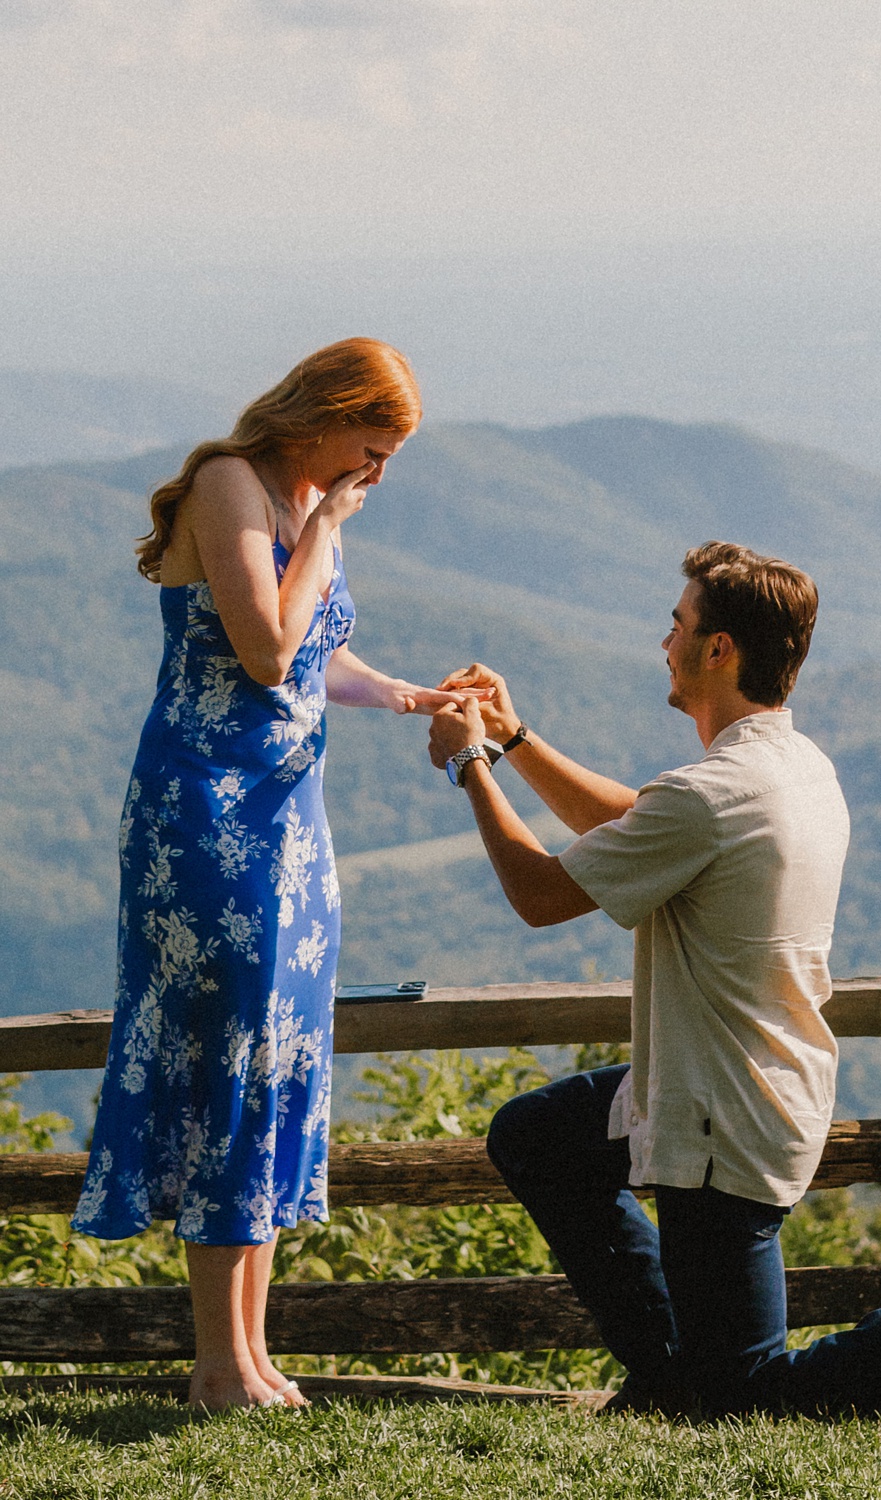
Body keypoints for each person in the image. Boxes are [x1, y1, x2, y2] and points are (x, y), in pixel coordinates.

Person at [71, 337, 482, 1411]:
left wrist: (409, 695)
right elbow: (264, 649)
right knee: (228, 1058)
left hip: (290, 821)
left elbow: (317, 658)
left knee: (275, 1059)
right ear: (325, 415)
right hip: (207, 818)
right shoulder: (229, 485)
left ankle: (251, 1354)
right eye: (371, 447)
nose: (376, 473)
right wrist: (330, 528)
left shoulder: (298, 500)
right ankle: (217, 1364)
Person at [427, 540, 852, 1416]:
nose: (665, 642)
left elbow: (541, 894)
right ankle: (667, 1372)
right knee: (540, 1136)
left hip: (720, 1120)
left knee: (744, 1397)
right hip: (728, 1082)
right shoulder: (792, 769)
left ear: (719, 649)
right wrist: (513, 737)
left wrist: (472, 765)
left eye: (678, 625)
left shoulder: (711, 795)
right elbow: (637, 823)